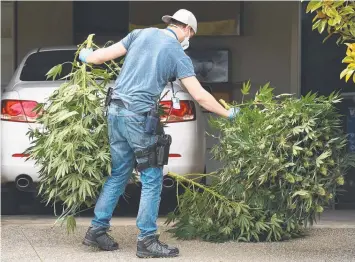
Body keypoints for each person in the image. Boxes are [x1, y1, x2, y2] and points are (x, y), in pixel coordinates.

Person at [79, 9, 239, 258]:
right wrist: (227, 114)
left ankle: (96, 231)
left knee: (119, 172)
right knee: (151, 177)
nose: (190, 39)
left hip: (114, 112)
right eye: (192, 35)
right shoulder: (177, 53)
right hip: (138, 118)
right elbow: (200, 97)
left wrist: (86, 57)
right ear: (187, 30)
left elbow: (101, 57)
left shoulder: (139, 34)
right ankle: (147, 240)